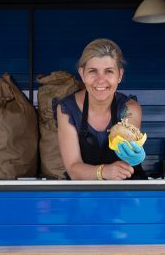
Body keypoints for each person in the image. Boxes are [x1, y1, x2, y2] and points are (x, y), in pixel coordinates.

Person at [56, 38, 147, 180]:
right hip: (83, 194)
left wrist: (133, 157)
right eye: (93, 71)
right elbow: (73, 168)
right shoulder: (67, 109)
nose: (100, 80)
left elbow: (125, 165)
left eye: (108, 71)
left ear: (120, 75)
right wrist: (104, 172)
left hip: (126, 191)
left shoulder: (129, 109)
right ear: (82, 74)